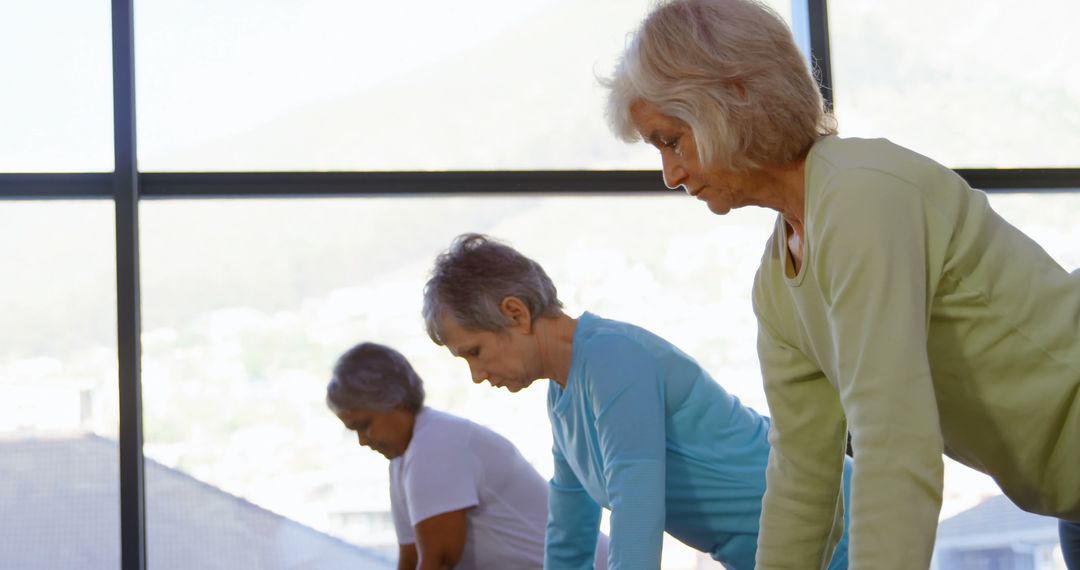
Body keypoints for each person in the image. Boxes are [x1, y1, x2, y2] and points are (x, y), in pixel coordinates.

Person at [602, 0, 1080, 568]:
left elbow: (894, 442)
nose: (670, 174)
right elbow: (802, 478)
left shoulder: (862, 194)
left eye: (672, 140)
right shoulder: (777, 286)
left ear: (731, 100)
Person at [422, 233, 852, 570]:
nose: (477, 376)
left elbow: (637, 506)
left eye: (474, 352)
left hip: (836, 528)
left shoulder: (612, 358)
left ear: (515, 313)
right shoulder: (562, 396)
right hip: (778, 551)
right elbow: (570, 532)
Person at [325, 341, 608, 570]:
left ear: (393, 400)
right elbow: (410, 560)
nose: (363, 441)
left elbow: (440, 562)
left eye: (364, 425)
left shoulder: (435, 443)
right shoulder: (404, 458)